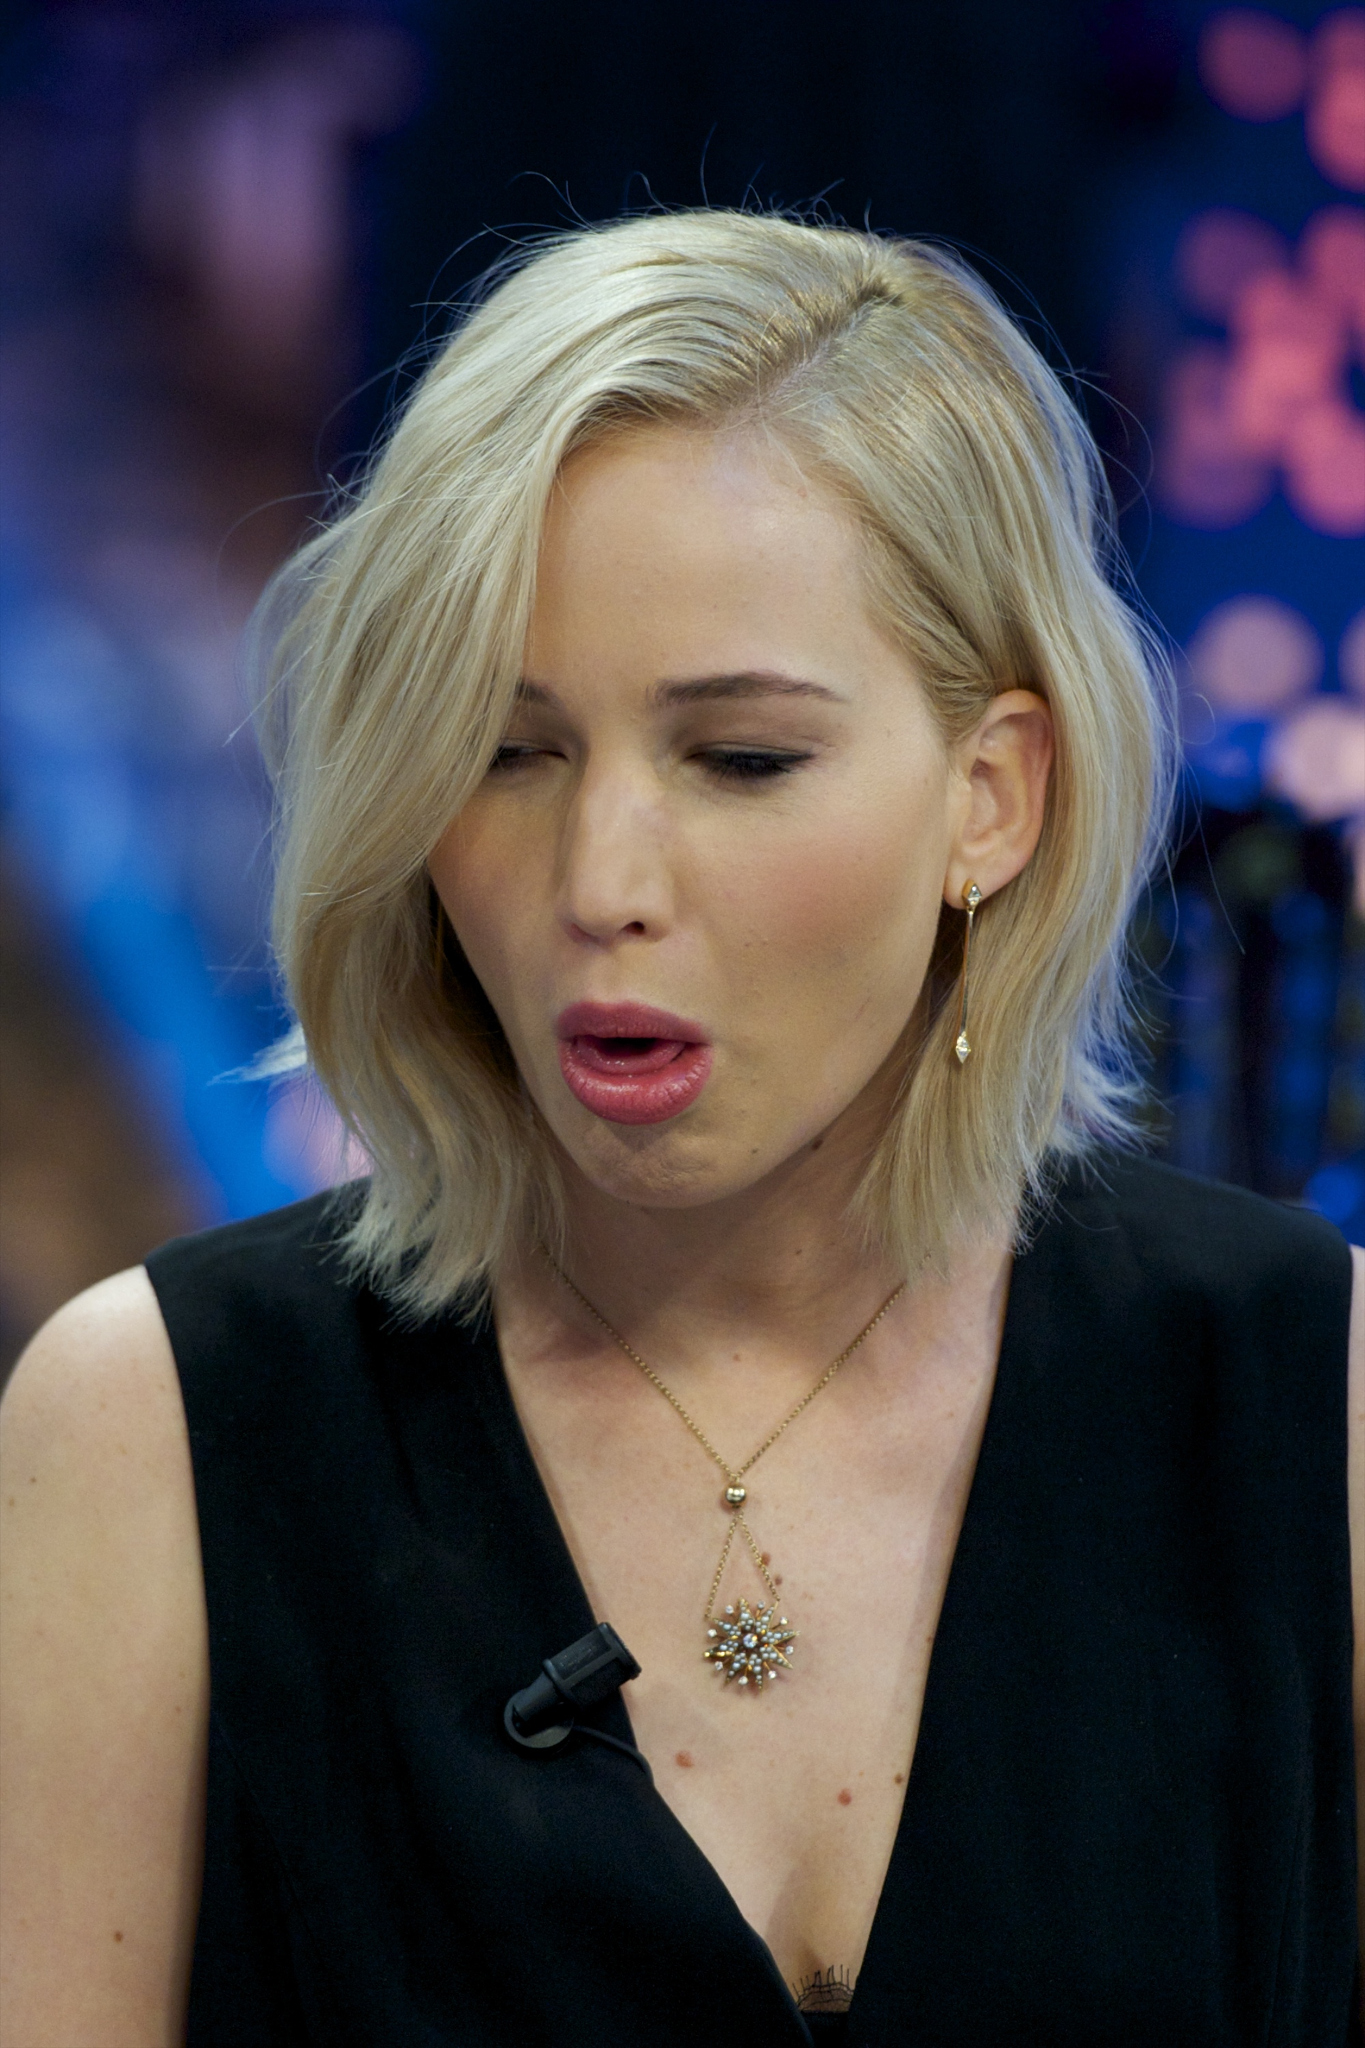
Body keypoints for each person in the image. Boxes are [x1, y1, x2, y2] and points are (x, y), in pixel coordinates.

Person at [1, 209, 1360, 2047]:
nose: (599, 883)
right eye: (507, 750)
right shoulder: (153, 1430)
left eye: (738, 759)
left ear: (991, 798)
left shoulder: (1314, 1408)